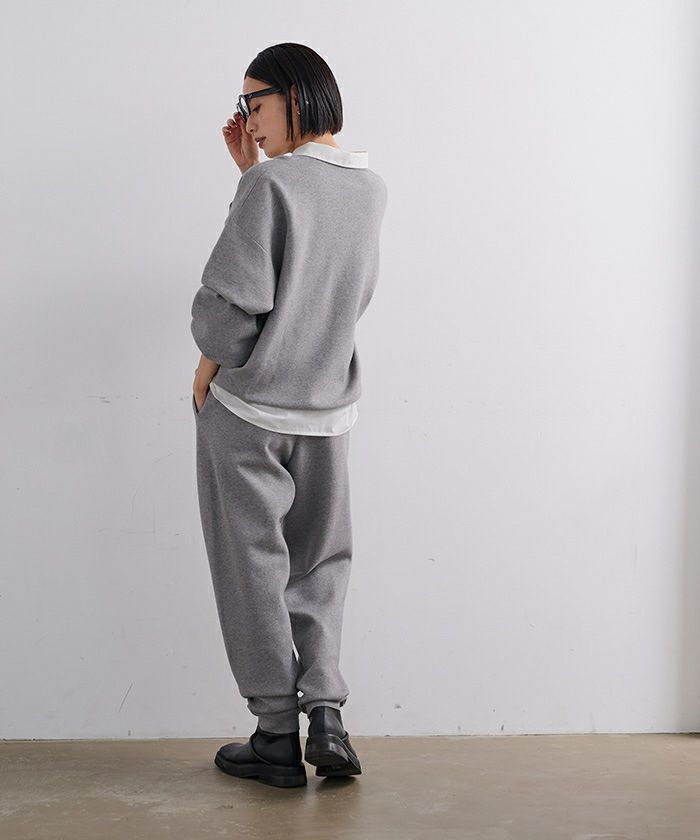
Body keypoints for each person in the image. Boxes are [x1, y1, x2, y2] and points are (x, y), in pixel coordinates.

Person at [190, 42, 388, 788]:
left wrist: (208, 365)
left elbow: (230, 307)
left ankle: (275, 734)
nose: (246, 119)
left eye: (255, 102)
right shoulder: (370, 189)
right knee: (321, 565)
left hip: (248, 410)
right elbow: (327, 288)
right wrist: (253, 173)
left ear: (295, 95)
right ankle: (326, 714)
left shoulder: (270, 185)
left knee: (252, 569)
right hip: (327, 412)